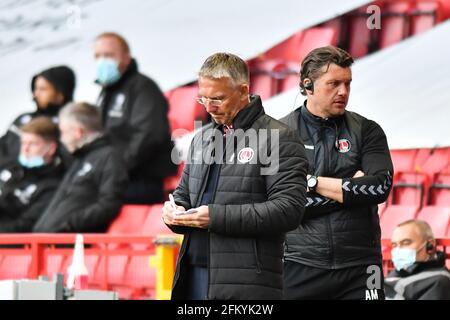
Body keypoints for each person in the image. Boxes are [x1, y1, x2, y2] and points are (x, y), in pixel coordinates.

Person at [162, 52, 308, 300]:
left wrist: (214, 217)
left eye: (218, 98)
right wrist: (174, 213)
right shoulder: (202, 138)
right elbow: (184, 194)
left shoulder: (279, 137)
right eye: (203, 98)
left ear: (243, 91)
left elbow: (288, 210)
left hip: (247, 281)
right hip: (193, 272)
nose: (209, 107)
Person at [280, 46, 394, 300]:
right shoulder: (281, 134)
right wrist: (351, 192)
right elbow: (287, 205)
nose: (343, 92)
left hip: (361, 266)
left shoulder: (367, 130)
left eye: (347, 83)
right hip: (300, 263)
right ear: (308, 85)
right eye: (333, 84)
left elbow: (379, 187)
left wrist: (311, 182)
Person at [94, 32, 176, 204]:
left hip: (144, 179)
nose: (102, 61)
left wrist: (114, 171)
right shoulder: (107, 92)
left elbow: (149, 136)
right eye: (97, 56)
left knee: (84, 199)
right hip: (118, 177)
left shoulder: (143, 88)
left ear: (126, 58)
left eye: (108, 55)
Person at [33, 102, 128, 232]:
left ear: (78, 132)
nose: (61, 139)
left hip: (74, 247)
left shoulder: (109, 157)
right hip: (47, 245)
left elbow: (109, 204)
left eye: (63, 132)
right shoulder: (81, 158)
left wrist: (68, 225)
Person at [0, 65, 75, 165]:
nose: (36, 94)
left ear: (60, 93)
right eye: (35, 89)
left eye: (43, 89)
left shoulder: (70, 124)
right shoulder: (23, 119)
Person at [0, 117, 64, 232]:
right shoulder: (12, 170)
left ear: (51, 149)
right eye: (23, 143)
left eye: (33, 144)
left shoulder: (54, 185)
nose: (25, 149)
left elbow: (25, 226)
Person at [385, 219, 450, 300]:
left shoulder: (439, 281)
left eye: (406, 243)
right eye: (394, 245)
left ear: (430, 245)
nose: (398, 250)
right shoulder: (400, 272)